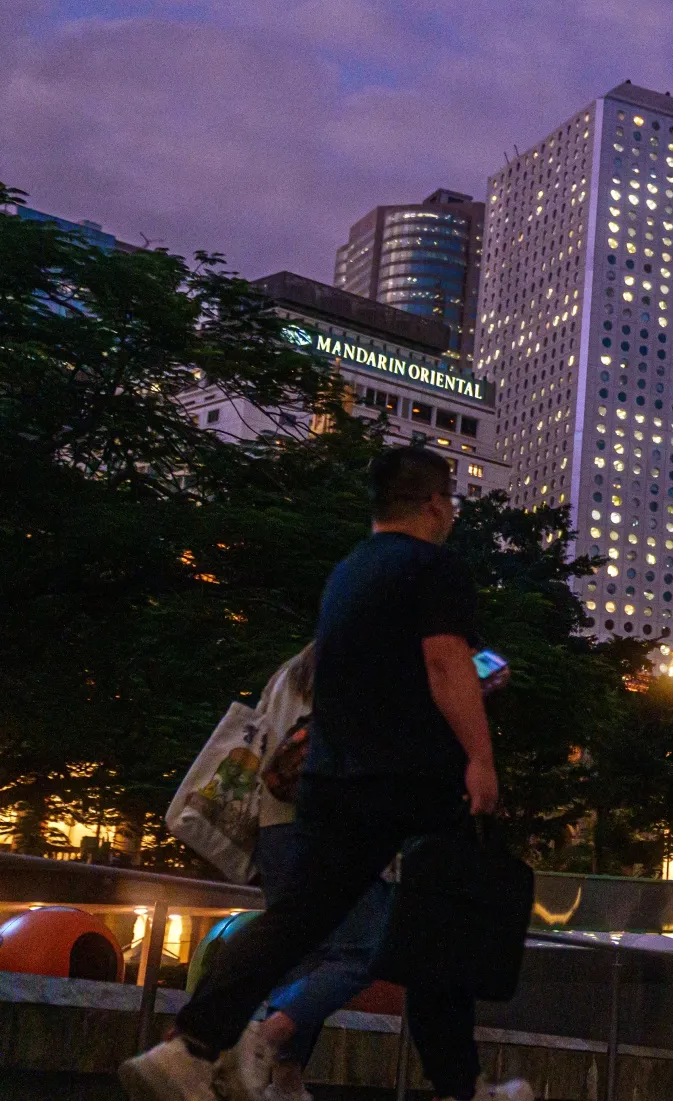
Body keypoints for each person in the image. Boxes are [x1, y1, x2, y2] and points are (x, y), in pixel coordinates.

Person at [119, 446, 531, 1101]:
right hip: (412, 778)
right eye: (449, 499)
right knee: (443, 918)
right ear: (434, 502)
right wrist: (480, 759)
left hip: (333, 778)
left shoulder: (347, 572)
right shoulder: (434, 566)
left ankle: (188, 1048)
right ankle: (461, 1087)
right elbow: (447, 662)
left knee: (295, 920)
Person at [243, 647, 397, 1101]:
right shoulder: (377, 668)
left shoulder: (289, 671)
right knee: (364, 951)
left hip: (275, 829)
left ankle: (284, 1082)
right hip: (337, 829)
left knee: (301, 957)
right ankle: (265, 1038)